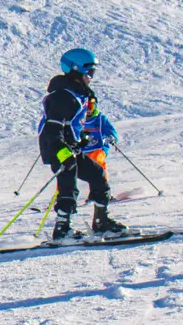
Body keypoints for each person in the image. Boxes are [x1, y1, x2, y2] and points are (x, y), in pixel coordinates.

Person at [38, 48, 127, 239]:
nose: (91, 77)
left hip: (70, 148)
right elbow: (53, 129)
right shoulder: (63, 96)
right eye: (89, 72)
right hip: (57, 148)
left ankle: (101, 222)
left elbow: (72, 125)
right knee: (68, 185)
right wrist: (62, 150)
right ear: (76, 70)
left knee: (97, 174)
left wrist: (80, 139)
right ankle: (62, 230)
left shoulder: (78, 94)